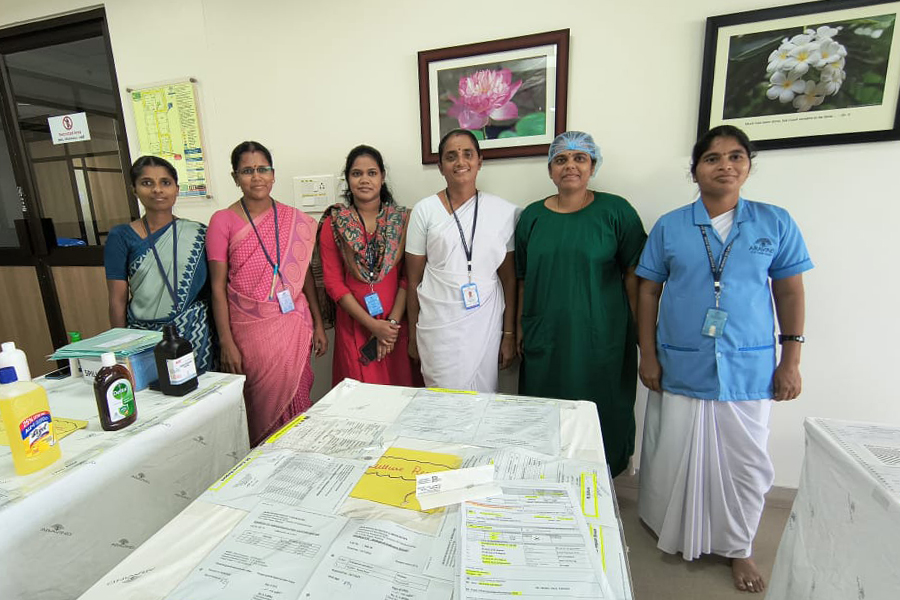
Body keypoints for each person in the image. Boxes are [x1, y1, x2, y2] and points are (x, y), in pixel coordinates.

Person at [636, 125, 813, 593]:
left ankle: (739, 547)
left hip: (748, 367)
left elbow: (790, 290)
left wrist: (791, 359)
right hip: (681, 363)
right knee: (673, 456)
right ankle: (673, 531)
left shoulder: (774, 222)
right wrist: (647, 354)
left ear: (749, 165)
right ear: (695, 169)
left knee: (745, 464)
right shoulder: (671, 226)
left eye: (736, 156)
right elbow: (648, 290)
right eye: (712, 158)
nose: (725, 166)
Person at [515, 131, 646, 477]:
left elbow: (635, 273)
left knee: (601, 410)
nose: (570, 166)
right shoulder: (532, 217)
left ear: (592, 165)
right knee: (546, 415)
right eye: (561, 160)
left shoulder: (616, 212)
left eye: (579, 158)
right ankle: (546, 482)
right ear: (550, 170)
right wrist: (518, 327)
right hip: (546, 334)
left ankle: (599, 484)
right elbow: (522, 278)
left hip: (601, 334)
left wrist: (638, 329)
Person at [207, 141, 327, 446]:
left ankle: (300, 455)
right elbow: (217, 287)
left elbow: (304, 277)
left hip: (294, 326)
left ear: (273, 174)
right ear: (235, 177)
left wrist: (318, 322)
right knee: (260, 406)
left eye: (263, 169)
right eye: (247, 171)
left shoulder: (293, 218)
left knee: (299, 397)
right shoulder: (223, 220)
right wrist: (226, 342)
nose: (256, 176)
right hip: (250, 332)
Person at [406, 129, 518, 392]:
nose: (460, 162)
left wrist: (509, 334)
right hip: (438, 325)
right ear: (440, 167)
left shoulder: (502, 212)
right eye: (451, 156)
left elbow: (509, 279)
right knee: (443, 400)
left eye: (468, 154)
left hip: (485, 322)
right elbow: (413, 281)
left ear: (480, 161)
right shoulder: (424, 211)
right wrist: (412, 335)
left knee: (483, 399)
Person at [317, 144, 420, 386]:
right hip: (355, 327)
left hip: (395, 329)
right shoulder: (335, 223)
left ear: (382, 177)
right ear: (348, 179)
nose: (364, 180)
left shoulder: (402, 221)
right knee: (359, 399)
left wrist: (390, 326)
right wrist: (373, 325)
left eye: (371, 173)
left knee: (399, 395)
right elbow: (333, 283)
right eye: (357, 173)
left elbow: (408, 277)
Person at [105, 156, 215, 370]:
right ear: (134, 190)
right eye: (147, 183)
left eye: (165, 182)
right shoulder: (121, 236)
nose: (157, 189)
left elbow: (213, 290)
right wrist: (120, 347)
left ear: (176, 189)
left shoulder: (199, 233)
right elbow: (117, 299)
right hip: (142, 336)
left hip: (195, 332)